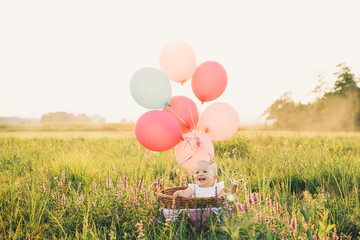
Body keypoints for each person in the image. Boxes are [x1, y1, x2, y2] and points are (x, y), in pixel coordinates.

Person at [162, 160, 227, 224]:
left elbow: (222, 194)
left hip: (212, 213)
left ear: (214, 178)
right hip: (195, 214)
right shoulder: (193, 187)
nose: (200, 174)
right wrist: (180, 193)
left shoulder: (217, 187)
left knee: (221, 214)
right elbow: (185, 194)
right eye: (197, 172)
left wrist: (222, 196)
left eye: (205, 171)